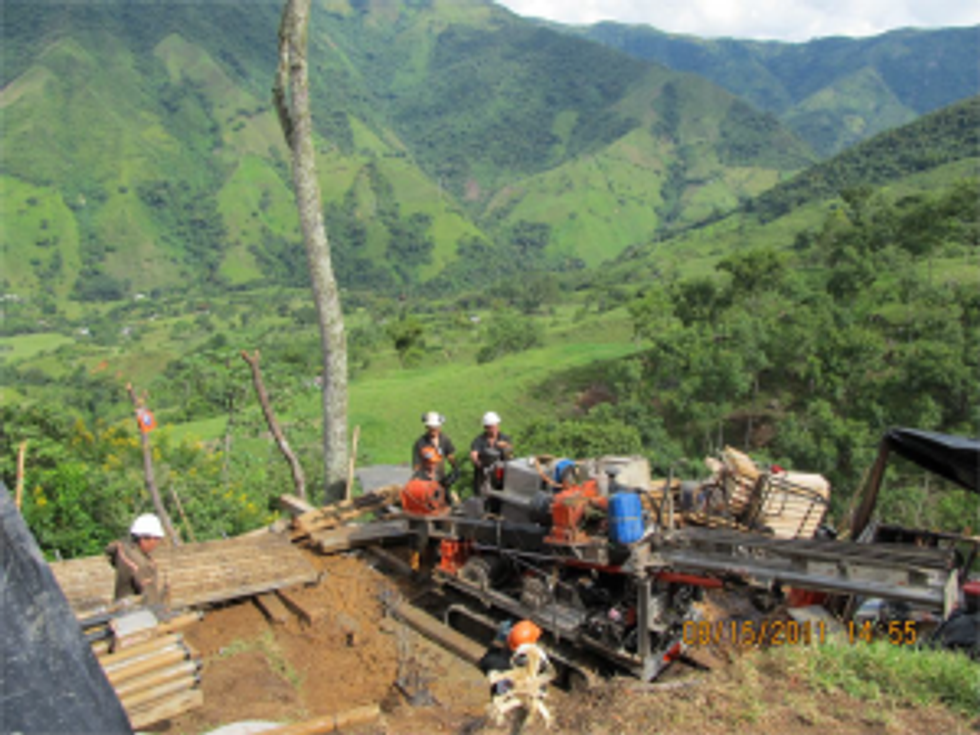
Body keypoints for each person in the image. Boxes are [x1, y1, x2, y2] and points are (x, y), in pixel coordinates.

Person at [483, 619, 555, 730]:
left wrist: (497, 643)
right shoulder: (536, 668)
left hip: (506, 704)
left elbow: (486, 662)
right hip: (520, 705)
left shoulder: (500, 664)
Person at [105, 513, 166, 606]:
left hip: (124, 606)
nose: (157, 543)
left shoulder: (125, 550)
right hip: (133, 610)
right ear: (145, 538)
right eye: (157, 539)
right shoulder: (139, 562)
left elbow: (110, 552)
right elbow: (149, 595)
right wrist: (157, 609)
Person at [470, 411, 513, 496]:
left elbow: (510, 453)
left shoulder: (504, 438)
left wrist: (506, 446)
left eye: (496, 427)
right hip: (484, 477)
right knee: (482, 497)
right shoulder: (480, 440)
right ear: (486, 428)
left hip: (500, 476)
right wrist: (479, 463)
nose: (494, 430)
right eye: (491, 428)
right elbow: (474, 454)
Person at [412, 411, 458, 488]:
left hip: (441, 478)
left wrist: (456, 468)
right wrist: (419, 477)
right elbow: (416, 465)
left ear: (440, 427)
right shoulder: (420, 443)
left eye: (436, 428)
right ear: (427, 427)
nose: (434, 430)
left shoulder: (444, 440)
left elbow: (450, 456)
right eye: (432, 428)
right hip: (425, 481)